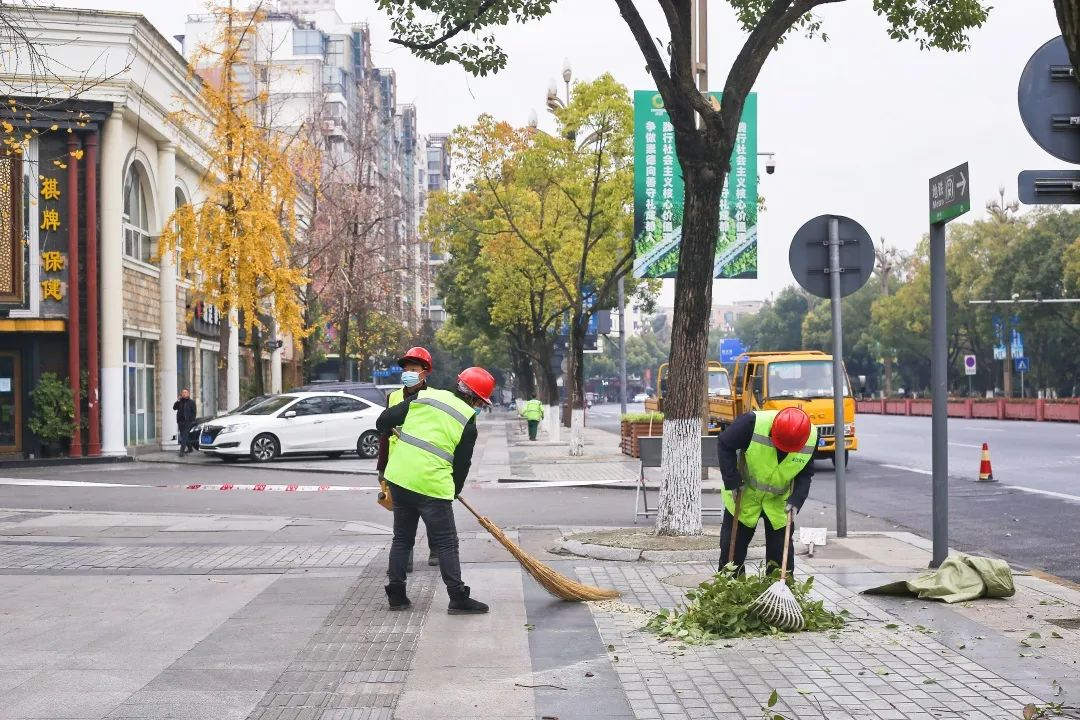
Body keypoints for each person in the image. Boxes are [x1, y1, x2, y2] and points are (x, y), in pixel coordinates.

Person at [377, 366, 494, 614]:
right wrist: (453, 491)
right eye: (481, 402)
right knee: (447, 542)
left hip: (399, 478)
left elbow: (383, 421)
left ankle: (396, 595)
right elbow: (462, 465)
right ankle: (457, 596)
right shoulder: (467, 420)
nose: (480, 407)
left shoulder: (425, 396)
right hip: (432, 486)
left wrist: (397, 429)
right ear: (473, 397)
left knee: (402, 538)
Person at [716, 406, 817, 576]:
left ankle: (777, 594)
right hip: (744, 496)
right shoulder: (751, 423)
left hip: (779, 503)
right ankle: (731, 591)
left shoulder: (811, 437)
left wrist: (797, 499)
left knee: (781, 557)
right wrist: (732, 480)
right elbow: (725, 444)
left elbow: (805, 474)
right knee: (732, 554)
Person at [380, 347, 439, 569]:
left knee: (430, 512)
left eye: (414, 369)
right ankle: (405, 560)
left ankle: (435, 549)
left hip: (425, 464)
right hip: (399, 467)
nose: (408, 373)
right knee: (403, 517)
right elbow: (384, 434)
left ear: (425, 372)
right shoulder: (393, 397)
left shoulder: (433, 398)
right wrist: (381, 468)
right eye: (406, 369)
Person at [172, 389, 197, 457]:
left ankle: (181, 451)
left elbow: (194, 412)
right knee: (184, 436)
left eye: (185, 392)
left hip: (188, 422)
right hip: (180, 421)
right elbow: (174, 408)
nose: (184, 393)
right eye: (183, 392)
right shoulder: (180, 402)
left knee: (184, 436)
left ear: (188, 394)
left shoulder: (191, 402)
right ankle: (190, 448)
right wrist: (178, 400)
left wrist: (192, 420)